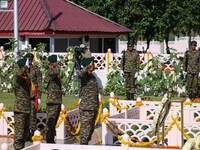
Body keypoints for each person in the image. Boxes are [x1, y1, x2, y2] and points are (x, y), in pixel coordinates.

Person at [78, 57, 99, 145]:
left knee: (90, 130)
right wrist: (87, 67)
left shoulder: (92, 75)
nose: (93, 65)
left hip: (93, 106)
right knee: (85, 131)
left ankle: (85, 145)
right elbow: (80, 73)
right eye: (92, 64)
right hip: (87, 107)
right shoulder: (84, 76)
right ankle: (83, 146)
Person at [24, 53, 42, 142]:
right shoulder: (23, 70)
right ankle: (26, 134)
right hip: (24, 96)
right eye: (27, 59)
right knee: (25, 115)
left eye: (29, 60)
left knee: (32, 115)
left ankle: (33, 133)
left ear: (32, 60)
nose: (28, 61)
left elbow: (39, 83)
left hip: (32, 95)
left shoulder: (36, 70)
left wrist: (39, 96)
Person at [14, 58, 31, 150]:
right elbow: (19, 73)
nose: (28, 69)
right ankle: (17, 148)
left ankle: (22, 148)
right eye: (26, 67)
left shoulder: (26, 78)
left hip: (27, 109)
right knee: (19, 135)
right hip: (20, 109)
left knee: (25, 135)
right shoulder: (18, 77)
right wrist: (25, 66)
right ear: (22, 67)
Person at [45, 54, 62, 143]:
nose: (58, 63)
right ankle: (49, 140)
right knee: (50, 123)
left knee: (54, 122)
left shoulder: (55, 72)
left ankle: (51, 139)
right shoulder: (49, 72)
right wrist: (59, 64)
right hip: (52, 101)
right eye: (56, 61)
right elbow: (56, 71)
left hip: (57, 101)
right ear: (52, 63)